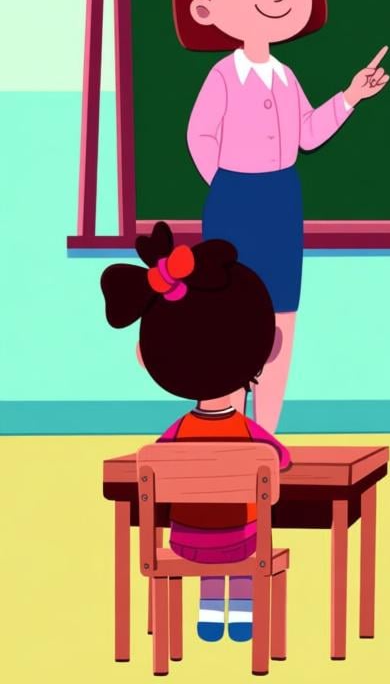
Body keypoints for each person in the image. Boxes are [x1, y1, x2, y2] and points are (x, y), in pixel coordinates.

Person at [174, 0, 390, 432]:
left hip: (280, 201)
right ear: (207, 9)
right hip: (235, 201)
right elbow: (198, 136)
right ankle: (223, 426)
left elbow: (308, 134)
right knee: (228, 318)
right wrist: (226, 188)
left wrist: (350, 97)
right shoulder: (224, 76)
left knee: (280, 319)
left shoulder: (285, 76)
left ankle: (266, 435)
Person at [100, 221, 290, 643]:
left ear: (146, 358)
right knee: (240, 541)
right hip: (245, 547)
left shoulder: (172, 437)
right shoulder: (252, 435)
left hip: (186, 546)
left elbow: (153, 466)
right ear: (269, 346)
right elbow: (280, 461)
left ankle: (207, 614)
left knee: (206, 540)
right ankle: (240, 616)